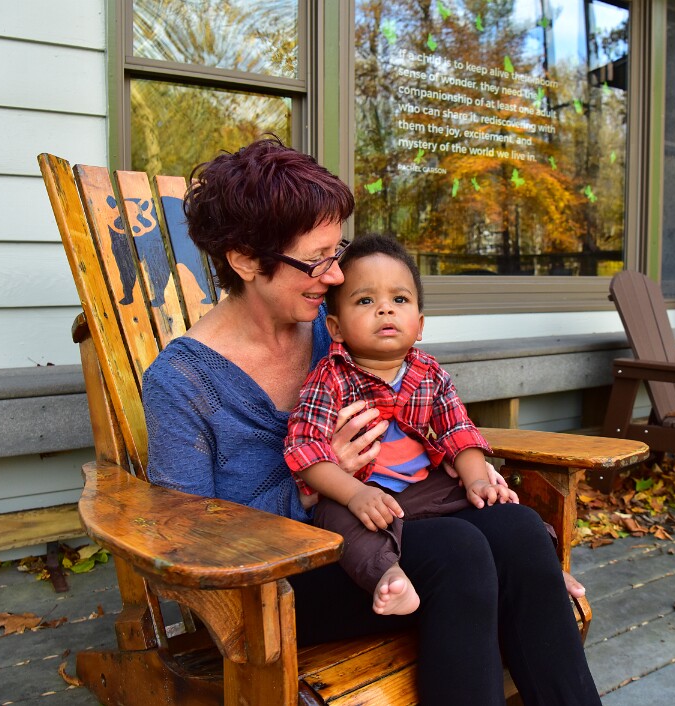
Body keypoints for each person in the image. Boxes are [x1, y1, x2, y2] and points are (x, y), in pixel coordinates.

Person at [142, 137, 601, 706]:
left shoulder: (333, 326)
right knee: (457, 552)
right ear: (245, 260)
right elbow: (187, 540)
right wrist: (314, 482)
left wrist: (479, 483)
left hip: (390, 534)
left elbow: (423, 398)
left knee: (519, 532)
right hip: (278, 588)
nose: (337, 276)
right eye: (317, 260)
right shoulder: (181, 383)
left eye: (337, 252)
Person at [284, 234, 517, 616]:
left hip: (424, 487)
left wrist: (476, 479)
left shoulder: (429, 373)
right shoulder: (330, 378)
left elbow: (457, 430)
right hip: (362, 492)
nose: (385, 310)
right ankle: (389, 577)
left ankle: (540, 569)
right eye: (365, 301)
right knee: (334, 517)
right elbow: (305, 449)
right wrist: (354, 494)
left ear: (419, 325)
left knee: (498, 505)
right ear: (336, 328)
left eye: (400, 299)